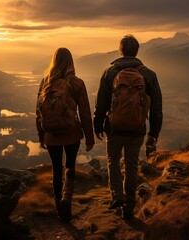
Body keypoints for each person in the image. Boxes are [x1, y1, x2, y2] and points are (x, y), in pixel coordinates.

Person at [93, 34, 162, 220]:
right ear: (137, 51)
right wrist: (153, 134)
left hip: (114, 128)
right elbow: (156, 108)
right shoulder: (149, 75)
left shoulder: (109, 73)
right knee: (131, 166)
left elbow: (101, 104)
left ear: (120, 50)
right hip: (137, 129)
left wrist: (97, 126)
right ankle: (129, 206)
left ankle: (116, 195)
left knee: (113, 160)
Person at [36, 48, 95, 222]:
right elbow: (84, 112)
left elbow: (39, 112)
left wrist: (42, 136)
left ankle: (59, 210)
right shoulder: (77, 83)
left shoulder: (45, 82)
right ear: (71, 62)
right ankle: (66, 200)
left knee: (56, 170)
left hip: (51, 135)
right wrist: (89, 139)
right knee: (69, 166)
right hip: (72, 134)